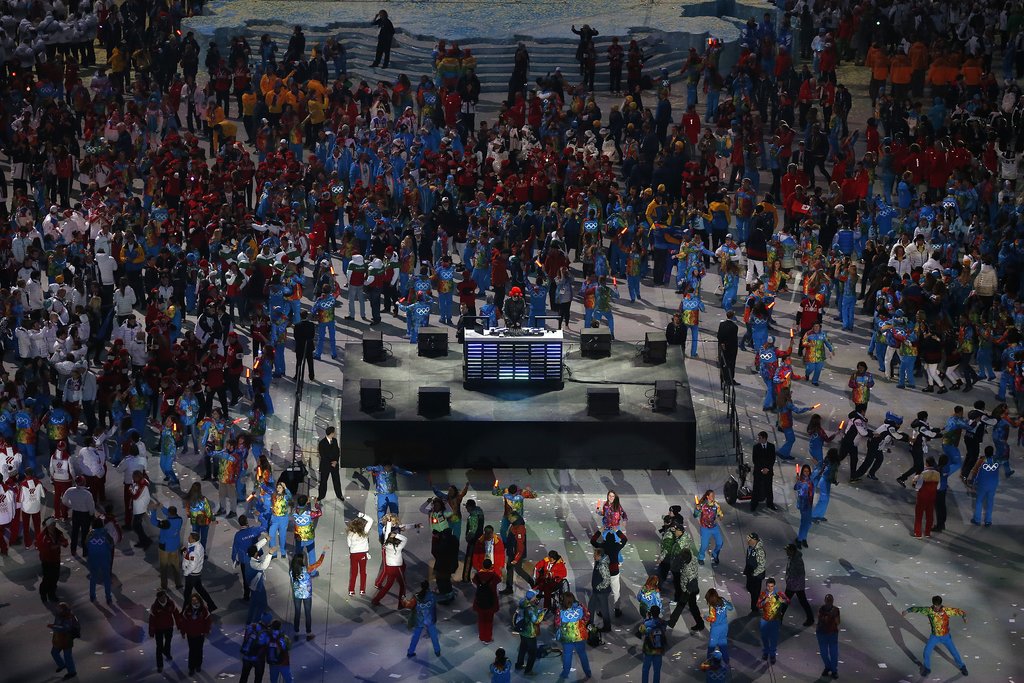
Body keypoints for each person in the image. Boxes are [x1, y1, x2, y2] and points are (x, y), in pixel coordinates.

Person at [902, 595, 969, 676]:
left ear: (940, 604)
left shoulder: (947, 611)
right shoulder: (929, 610)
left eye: (937, 605)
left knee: (954, 653)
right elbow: (918, 609)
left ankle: (962, 666)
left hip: (946, 637)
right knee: (926, 652)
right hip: (934, 637)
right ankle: (927, 668)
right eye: (934, 605)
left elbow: (960, 611)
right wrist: (907, 610)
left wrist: (964, 617)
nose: (936, 607)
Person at [554, 592, 593, 680]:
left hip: (567, 637)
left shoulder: (560, 610)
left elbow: (557, 623)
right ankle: (588, 672)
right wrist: (581, 623)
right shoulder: (580, 607)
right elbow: (587, 616)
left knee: (567, 655)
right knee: (582, 654)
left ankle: (565, 673)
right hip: (579, 635)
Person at [291, 550, 326, 639]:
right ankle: (308, 633)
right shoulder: (307, 569)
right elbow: (319, 562)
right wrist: (323, 552)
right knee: (307, 613)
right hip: (307, 595)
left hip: (297, 595)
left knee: (297, 613)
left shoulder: (292, 571)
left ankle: (296, 633)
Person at [370, 524, 407, 606]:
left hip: (390, 568)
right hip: (397, 568)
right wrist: (396, 534)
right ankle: (401, 603)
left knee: (388, 585)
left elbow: (387, 535)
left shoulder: (386, 545)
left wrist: (389, 524)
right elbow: (405, 539)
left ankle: (376, 599)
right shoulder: (398, 547)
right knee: (403, 585)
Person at [177, 593, 212, 676]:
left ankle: (198, 665)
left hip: (200, 634)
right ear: (190, 602)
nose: (195, 602)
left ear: (199, 600)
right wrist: (183, 632)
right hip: (191, 634)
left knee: (199, 650)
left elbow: (208, 621)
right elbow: (184, 622)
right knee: (192, 651)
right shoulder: (187, 610)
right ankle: (191, 668)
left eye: (196, 600)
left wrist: (206, 631)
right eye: (193, 601)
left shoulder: (204, 610)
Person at [756, 577, 790, 664]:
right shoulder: (763, 594)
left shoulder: (779, 593)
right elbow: (758, 605)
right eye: (768, 586)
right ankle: (766, 651)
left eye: (771, 586)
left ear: (774, 586)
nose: (769, 588)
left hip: (775, 620)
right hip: (765, 619)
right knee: (764, 637)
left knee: (773, 638)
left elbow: (788, 601)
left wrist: (783, 601)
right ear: (766, 586)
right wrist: (764, 601)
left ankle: (772, 654)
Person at [182, 531, 218, 611]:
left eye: (190, 537)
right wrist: (184, 551)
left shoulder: (194, 551)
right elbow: (189, 556)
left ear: (194, 539)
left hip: (192, 575)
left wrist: (186, 572)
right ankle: (211, 605)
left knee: (187, 594)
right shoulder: (197, 546)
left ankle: (186, 610)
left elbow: (192, 565)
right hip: (197, 574)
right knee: (200, 590)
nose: (188, 538)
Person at [231, 514, 264, 602]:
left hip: (244, 560)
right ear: (247, 521)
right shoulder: (253, 530)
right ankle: (257, 595)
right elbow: (264, 526)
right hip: (255, 558)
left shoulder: (238, 535)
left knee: (246, 578)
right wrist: (260, 516)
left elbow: (235, 548)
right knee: (257, 577)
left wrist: (234, 559)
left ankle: (246, 595)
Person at [513, 590, 546, 674]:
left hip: (522, 630)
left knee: (522, 648)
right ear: (532, 598)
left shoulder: (523, 603)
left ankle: (519, 664)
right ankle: (528, 670)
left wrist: (537, 612)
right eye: (535, 596)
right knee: (532, 653)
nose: (536, 597)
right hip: (530, 632)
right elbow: (536, 621)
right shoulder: (531, 608)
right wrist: (542, 614)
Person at [968, 446, 1002, 526]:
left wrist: (972, 482)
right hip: (993, 484)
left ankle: (977, 519)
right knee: (990, 502)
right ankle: (988, 520)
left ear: (985, 452)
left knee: (979, 501)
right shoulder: (997, 461)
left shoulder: (981, 461)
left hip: (982, 485)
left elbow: (975, 473)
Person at [407, 581, 442, 658]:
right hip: (429, 619)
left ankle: (410, 651)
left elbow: (410, 605)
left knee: (416, 635)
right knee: (433, 635)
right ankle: (437, 651)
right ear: (428, 586)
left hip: (419, 619)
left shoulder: (416, 596)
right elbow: (440, 599)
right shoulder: (432, 595)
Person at [38, 516, 69, 602]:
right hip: (46, 561)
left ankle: (51, 594)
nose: (54, 526)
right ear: (48, 526)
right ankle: (43, 593)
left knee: (55, 577)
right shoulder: (43, 536)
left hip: (56, 560)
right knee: (47, 578)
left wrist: (63, 543)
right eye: (52, 525)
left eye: (54, 524)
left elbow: (65, 542)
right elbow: (45, 549)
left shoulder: (58, 533)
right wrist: (57, 545)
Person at [783, 543, 814, 626]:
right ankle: (810, 619)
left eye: (787, 550)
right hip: (793, 584)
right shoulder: (791, 557)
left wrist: (791, 581)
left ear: (792, 551)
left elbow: (800, 574)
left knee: (785, 601)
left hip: (795, 585)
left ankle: (778, 619)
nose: (786, 552)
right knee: (802, 601)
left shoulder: (797, 561)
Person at [48, 602, 80, 680]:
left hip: (66, 640)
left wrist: (54, 626)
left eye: (59, 608)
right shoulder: (59, 615)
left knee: (67, 656)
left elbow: (66, 628)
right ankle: (62, 665)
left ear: (62, 609)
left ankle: (72, 672)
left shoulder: (68, 616)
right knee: (54, 653)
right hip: (59, 639)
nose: (57, 609)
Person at [86, 519, 115, 604]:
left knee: (93, 577)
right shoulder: (105, 533)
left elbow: (86, 544)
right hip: (105, 558)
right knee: (106, 578)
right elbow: (111, 544)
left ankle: (92, 595)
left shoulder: (90, 534)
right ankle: (108, 597)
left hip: (93, 558)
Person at [472, 558, 501, 642]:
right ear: (491, 566)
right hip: (491, 601)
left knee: (481, 620)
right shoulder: (494, 576)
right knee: (489, 620)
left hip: (480, 600)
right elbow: (499, 580)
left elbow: (474, 581)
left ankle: (482, 636)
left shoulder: (477, 575)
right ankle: (487, 637)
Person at [694, 489, 724, 565]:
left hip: (714, 527)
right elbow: (695, 515)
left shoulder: (716, 505)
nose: (713, 497)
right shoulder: (702, 505)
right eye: (712, 495)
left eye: (714, 495)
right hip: (705, 528)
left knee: (720, 543)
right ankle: (700, 557)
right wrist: (697, 510)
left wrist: (720, 516)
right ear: (707, 496)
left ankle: (715, 554)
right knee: (704, 545)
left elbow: (720, 514)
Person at [912, 456, 940, 538]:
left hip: (922, 496)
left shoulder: (924, 473)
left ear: (927, 463)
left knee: (919, 515)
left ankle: (918, 533)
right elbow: (938, 487)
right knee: (930, 514)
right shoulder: (937, 474)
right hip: (932, 496)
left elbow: (919, 486)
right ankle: (927, 533)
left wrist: (915, 485)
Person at [639, 604, 668, 683]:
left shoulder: (647, 623)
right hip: (659, 649)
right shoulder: (663, 623)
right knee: (657, 670)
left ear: (650, 613)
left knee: (645, 669)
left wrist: (647, 619)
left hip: (649, 649)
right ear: (659, 613)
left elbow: (641, 631)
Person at [751, 431, 778, 512]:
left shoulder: (771, 446)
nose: (758, 439)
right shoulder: (755, 447)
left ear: (764, 438)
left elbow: (772, 459)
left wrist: (767, 468)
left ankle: (770, 504)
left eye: (760, 438)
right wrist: (762, 469)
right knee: (756, 488)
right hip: (758, 472)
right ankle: (754, 504)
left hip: (768, 471)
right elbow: (755, 460)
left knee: (768, 488)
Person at [704, 588, 734, 663]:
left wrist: (704, 617)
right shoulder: (722, 600)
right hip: (724, 626)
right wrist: (728, 602)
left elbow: (712, 619)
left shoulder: (712, 606)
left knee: (712, 646)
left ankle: (708, 662)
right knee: (723, 643)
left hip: (715, 629)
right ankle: (726, 661)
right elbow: (731, 608)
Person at [587, 547, 613, 632]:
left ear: (599, 555)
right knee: (591, 606)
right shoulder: (599, 562)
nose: (593, 556)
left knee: (604, 610)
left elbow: (607, 580)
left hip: (602, 592)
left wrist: (598, 587)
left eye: (595, 555)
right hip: (597, 591)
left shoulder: (602, 565)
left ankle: (607, 626)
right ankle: (589, 623)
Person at [346, 512, 372, 595]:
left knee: (354, 573)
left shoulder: (350, 534)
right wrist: (363, 515)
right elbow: (370, 521)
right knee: (363, 572)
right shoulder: (365, 532)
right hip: (362, 554)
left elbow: (349, 545)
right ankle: (362, 590)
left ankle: (351, 590)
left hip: (354, 555)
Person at [239, 615, 270, 683]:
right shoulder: (266, 632)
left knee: (244, 676)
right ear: (268, 622)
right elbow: (266, 644)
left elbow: (246, 638)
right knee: (258, 678)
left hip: (247, 656)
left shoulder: (251, 626)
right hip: (258, 658)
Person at [816, 594, 840, 679]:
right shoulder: (821, 609)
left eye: (830, 600)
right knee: (824, 653)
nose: (829, 602)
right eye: (828, 600)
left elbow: (837, 622)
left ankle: (833, 670)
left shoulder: (835, 610)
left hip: (832, 633)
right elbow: (820, 619)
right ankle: (828, 666)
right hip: (822, 633)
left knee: (833, 653)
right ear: (825, 601)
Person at [316, 427, 343, 501]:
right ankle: (321, 496)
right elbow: (323, 456)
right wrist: (332, 463)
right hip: (326, 465)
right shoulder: (322, 443)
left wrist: (336, 461)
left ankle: (339, 495)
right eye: (334, 432)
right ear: (331, 433)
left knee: (337, 481)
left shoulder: (335, 440)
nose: (335, 433)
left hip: (334, 465)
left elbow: (337, 452)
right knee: (323, 482)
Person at [743, 533, 766, 612]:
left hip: (757, 575)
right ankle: (755, 603)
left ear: (755, 540)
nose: (748, 541)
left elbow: (761, 565)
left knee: (755, 592)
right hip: (750, 572)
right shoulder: (750, 547)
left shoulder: (760, 551)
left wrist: (754, 573)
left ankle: (754, 607)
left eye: (750, 539)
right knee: (749, 587)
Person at [293, 311, 316, 382]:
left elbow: (295, 337)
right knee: (310, 362)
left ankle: (297, 375)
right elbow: (312, 335)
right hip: (308, 346)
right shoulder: (311, 325)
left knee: (299, 362)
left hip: (300, 346)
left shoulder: (297, 325)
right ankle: (311, 375)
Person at [717, 311, 739, 384]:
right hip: (731, 348)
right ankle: (730, 379)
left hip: (723, 347)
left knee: (723, 362)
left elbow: (719, 335)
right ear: (733, 316)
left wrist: (722, 343)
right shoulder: (734, 326)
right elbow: (734, 339)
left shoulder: (722, 324)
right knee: (731, 364)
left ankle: (722, 378)